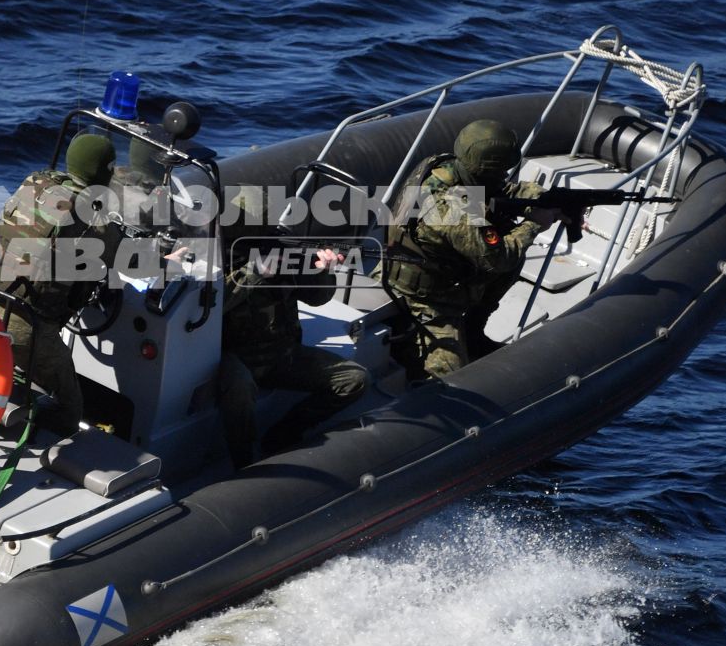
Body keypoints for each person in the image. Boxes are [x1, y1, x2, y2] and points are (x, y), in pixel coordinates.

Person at [384, 119, 555, 380]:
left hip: (430, 273)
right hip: (423, 298)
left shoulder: (445, 168)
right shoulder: (453, 206)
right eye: (500, 170)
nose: (504, 175)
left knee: (511, 257)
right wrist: (534, 224)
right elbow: (498, 258)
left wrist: (550, 199)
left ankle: (473, 332)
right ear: (486, 168)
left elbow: (502, 191)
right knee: (449, 375)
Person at [0, 132, 118, 427]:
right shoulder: (94, 220)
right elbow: (124, 257)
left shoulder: (35, 182)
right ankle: (46, 456)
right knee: (70, 406)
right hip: (26, 327)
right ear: (105, 172)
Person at [218, 215, 371, 467]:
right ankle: (244, 462)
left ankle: (282, 436)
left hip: (281, 354)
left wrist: (323, 270)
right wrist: (253, 273)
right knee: (239, 387)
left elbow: (317, 298)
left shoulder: (284, 252)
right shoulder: (218, 260)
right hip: (233, 356)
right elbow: (212, 304)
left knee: (355, 380)